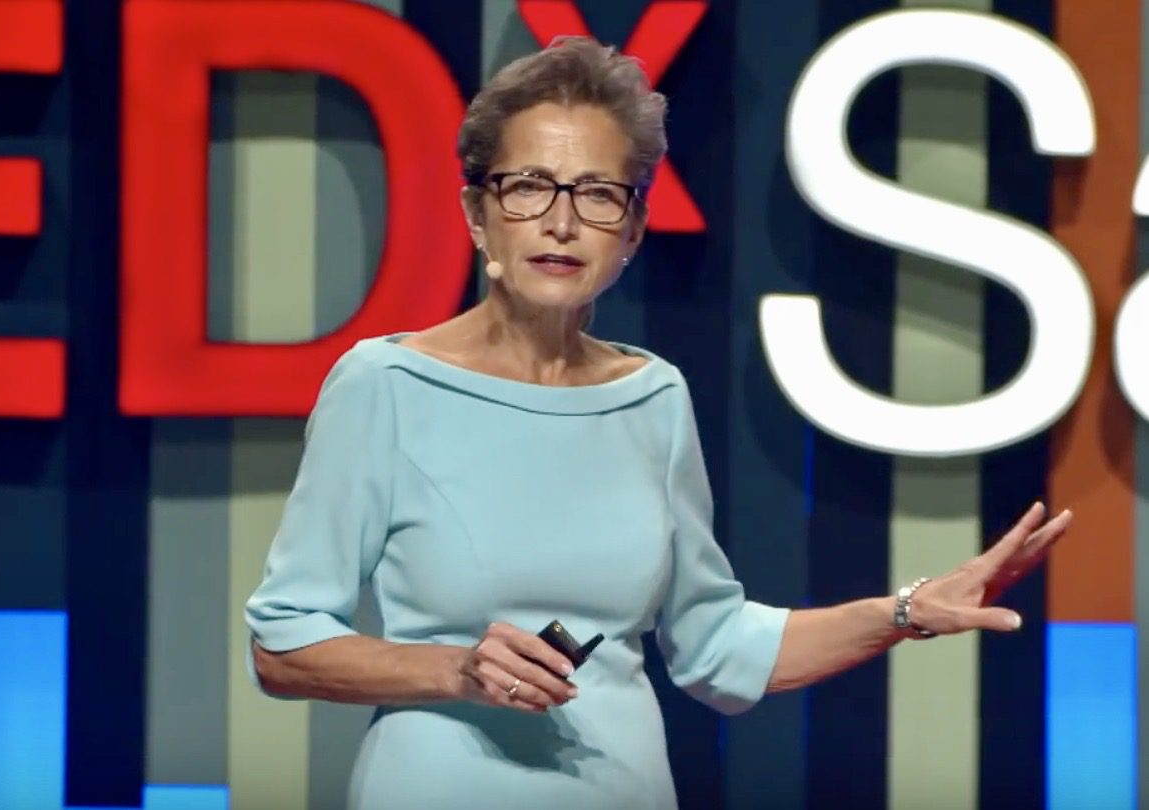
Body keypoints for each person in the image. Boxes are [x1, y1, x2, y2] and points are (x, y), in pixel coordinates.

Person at [242, 36, 1072, 810]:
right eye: (530, 186)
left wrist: (904, 610)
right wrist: (455, 669)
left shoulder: (653, 397)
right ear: (476, 214)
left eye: (598, 194)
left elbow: (715, 645)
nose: (562, 222)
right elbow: (282, 646)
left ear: (633, 230)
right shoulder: (386, 384)